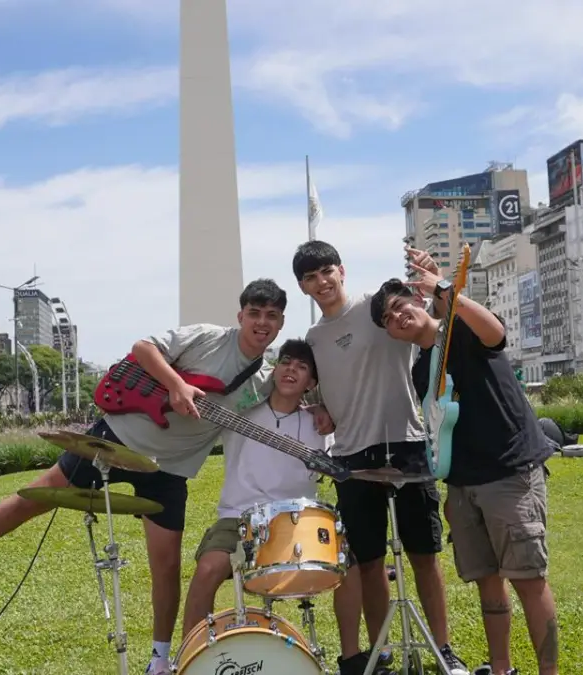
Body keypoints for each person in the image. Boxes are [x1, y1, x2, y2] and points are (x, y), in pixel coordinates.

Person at [0, 279, 299, 675]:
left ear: (281, 322)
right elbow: (143, 349)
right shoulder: (208, 338)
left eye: (271, 316)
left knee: (165, 567)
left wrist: (318, 412)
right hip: (116, 438)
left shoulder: (261, 381)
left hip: (169, 469)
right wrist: (177, 385)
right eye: (254, 313)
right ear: (241, 315)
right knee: (35, 497)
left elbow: (292, 397)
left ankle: (160, 661)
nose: (261, 322)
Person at [368, 261, 560, 675]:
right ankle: (501, 667)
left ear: (419, 302)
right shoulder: (421, 370)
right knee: (487, 582)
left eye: (400, 306)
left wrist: (445, 291)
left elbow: (497, 334)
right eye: (388, 319)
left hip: (510, 471)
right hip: (464, 483)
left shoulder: (462, 328)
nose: (398, 317)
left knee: (529, 580)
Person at [292, 240, 469, 675]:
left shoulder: (380, 308)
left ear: (342, 271)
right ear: (303, 287)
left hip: (408, 443)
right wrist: (320, 406)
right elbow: (326, 391)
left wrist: (433, 276)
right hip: (351, 456)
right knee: (369, 562)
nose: (322, 283)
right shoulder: (314, 338)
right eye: (311, 278)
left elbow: (433, 324)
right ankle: (378, 652)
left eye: (327, 272)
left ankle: (443, 648)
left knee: (425, 555)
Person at [180, 339, 330, 634]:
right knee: (208, 569)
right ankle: (190, 654)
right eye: (286, 362)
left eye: (301, 367)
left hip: (294, 523)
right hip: (239, 517)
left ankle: (351, 657)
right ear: (274, 370)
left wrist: (325, 409)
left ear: (311, 383)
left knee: (348, 570)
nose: (291, 370)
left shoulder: (321, 425)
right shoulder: (240, 413)